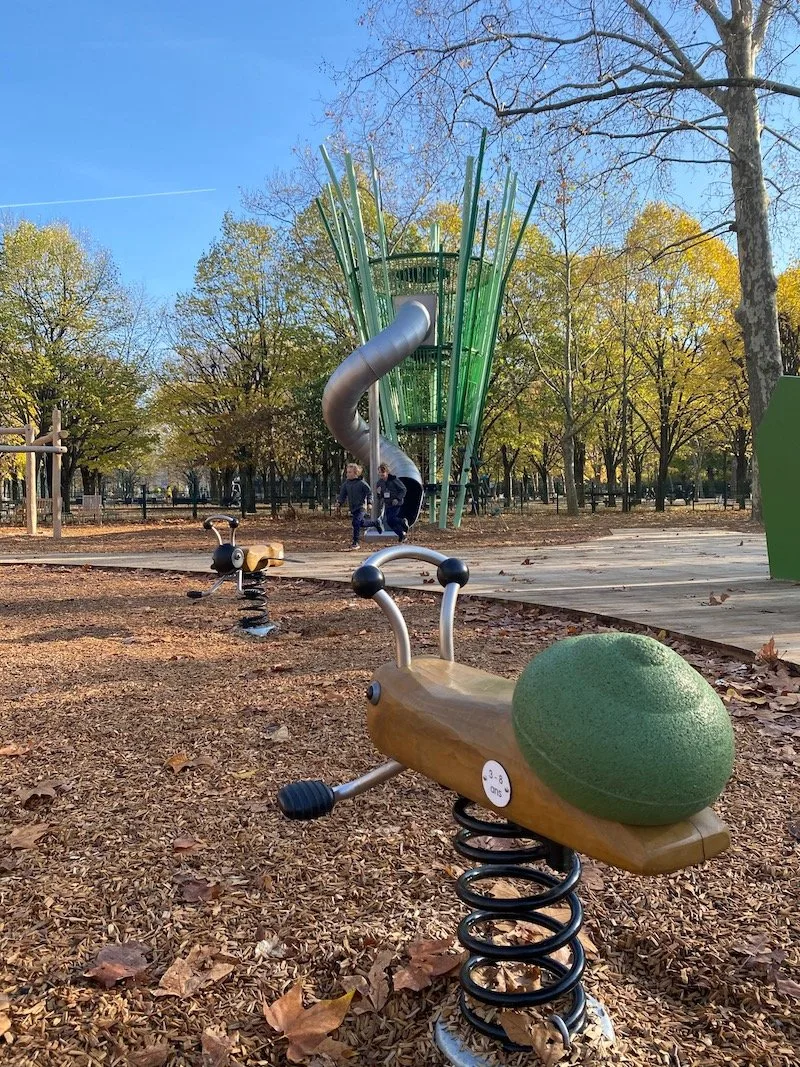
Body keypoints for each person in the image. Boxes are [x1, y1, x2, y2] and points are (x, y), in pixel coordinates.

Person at [337, 463, 383, 549]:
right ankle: (375, 523)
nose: (347, 474)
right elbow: (342, 495)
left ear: (355, 473)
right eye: (347, 472)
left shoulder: (362, 483)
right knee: (361, 523)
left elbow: (369, 493)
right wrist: (339, 503)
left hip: (361, 507)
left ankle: (356, 542)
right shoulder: (346, 484)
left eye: (350, 472)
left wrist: (370, 502)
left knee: (355, 523)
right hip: (353, 508)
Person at [376, 462, 408, 542]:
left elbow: (403, 489)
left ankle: (402, 522)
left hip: (396, 503)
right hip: (387, 504)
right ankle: (401, 534)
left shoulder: (394, 480)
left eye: (383, 472)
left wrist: (397, 498)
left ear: (387, 472)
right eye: (380, 472)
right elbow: (379, 497)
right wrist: (378, 493)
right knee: (389, 522)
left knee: (391, 518)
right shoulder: (379, 483)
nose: (381, 474)